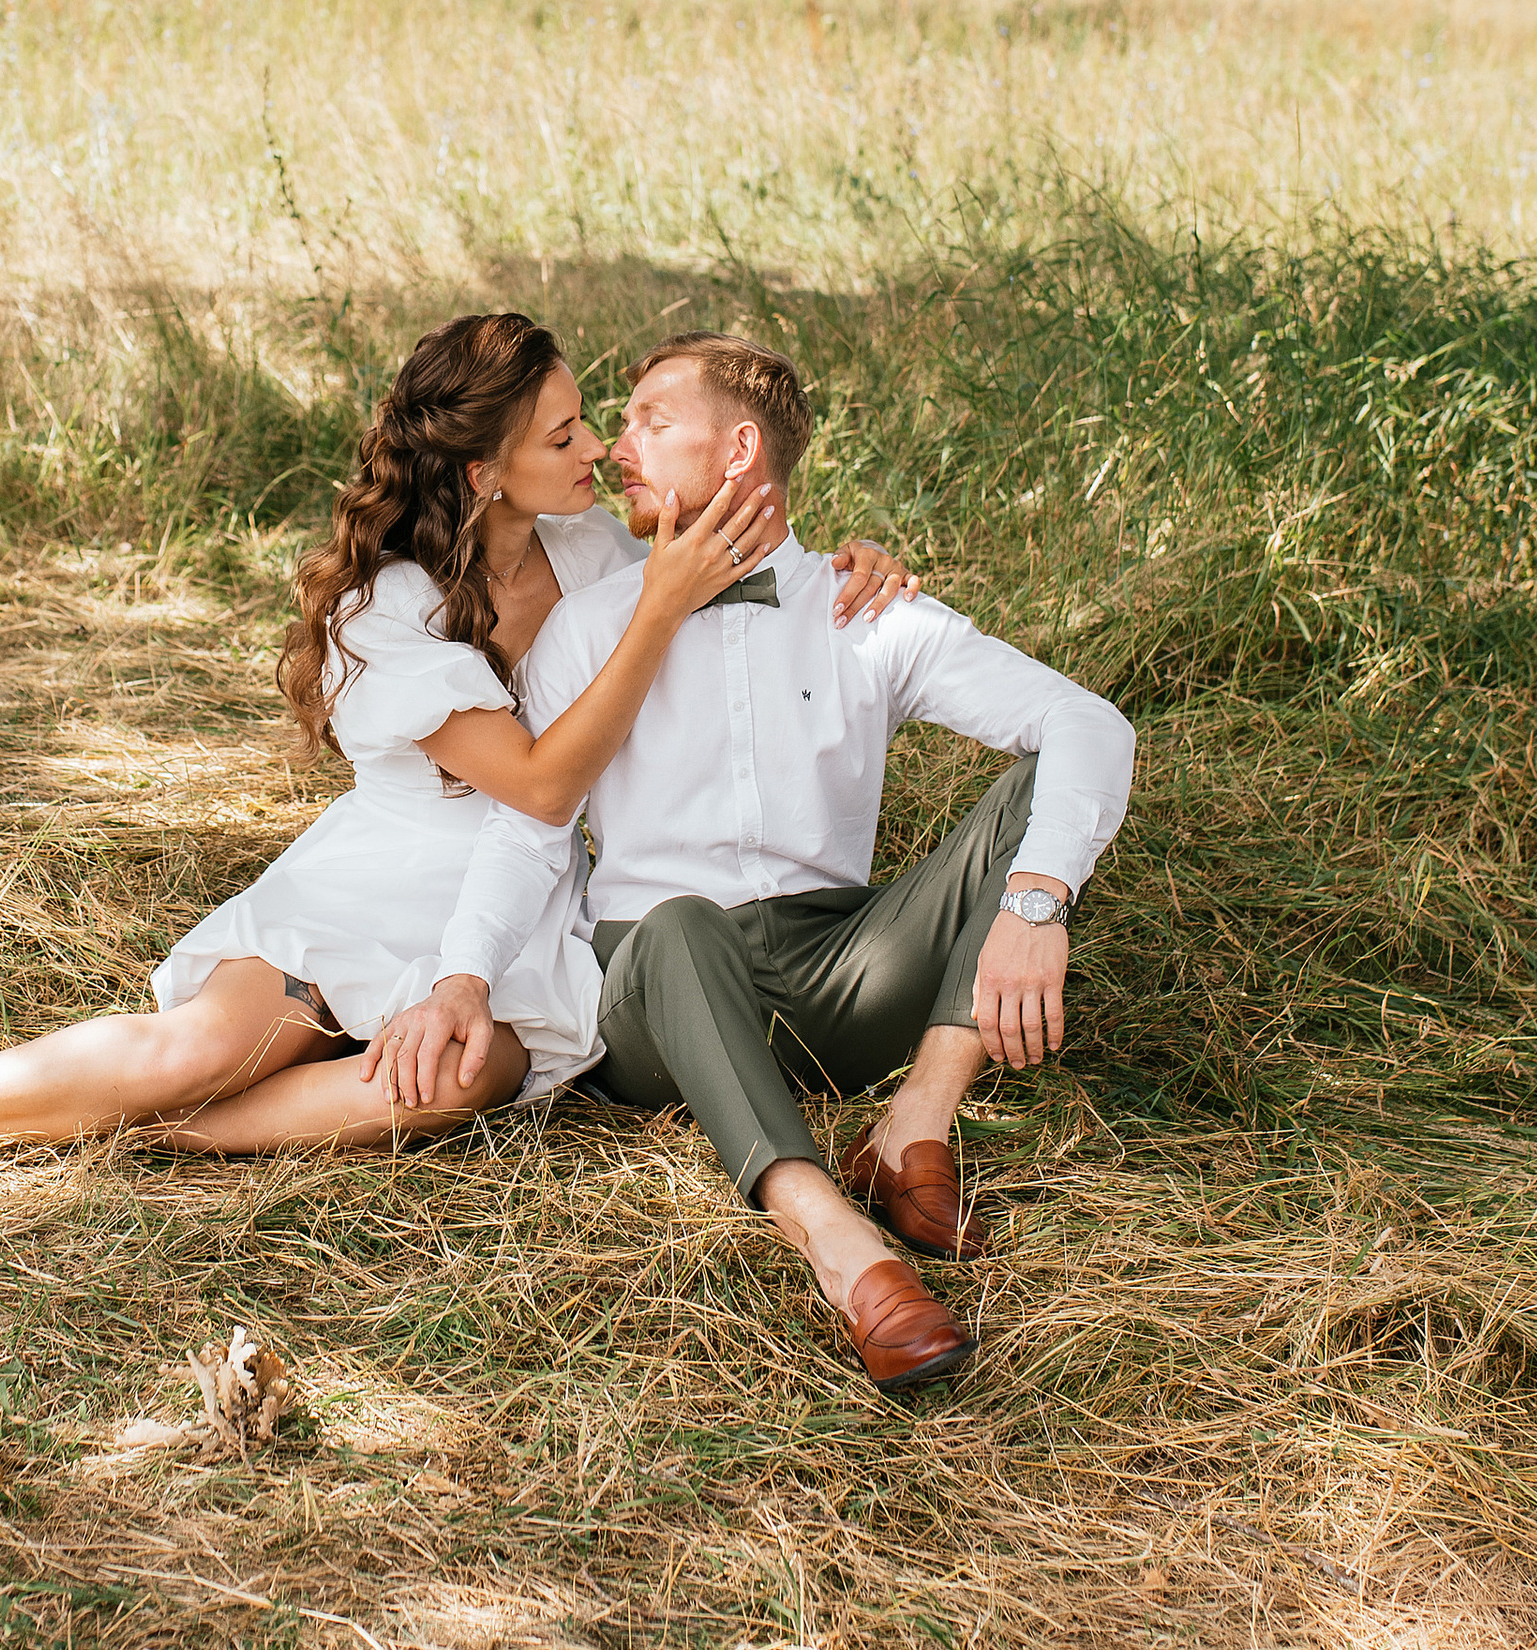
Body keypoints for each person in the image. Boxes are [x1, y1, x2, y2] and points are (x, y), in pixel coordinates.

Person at [0, 312, 913, 1192]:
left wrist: (852, 565)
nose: (597, 452)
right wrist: (657, 609)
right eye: (565, 436)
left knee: (452, 1083)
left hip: (528, 899)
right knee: (193, 1048)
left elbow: (735, 569)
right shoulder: (392, 608)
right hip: (389, 874)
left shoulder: (594, 554)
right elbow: (539, 779)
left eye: (594, 424)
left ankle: (149, 1135)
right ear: (485, 473)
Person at [364, 334, 1136, 1397]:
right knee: (679, 923)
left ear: (736, 450)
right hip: (658, 994)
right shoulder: (588, 629)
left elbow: (1088, 722)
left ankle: (915, 1124)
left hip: (841, 972)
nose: (612, 447)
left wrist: (1037, 903)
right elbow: (530, 826)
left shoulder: (865, 613)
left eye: (646, 420)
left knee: (1039, 784)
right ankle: (836, 1243)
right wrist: (464, 975)